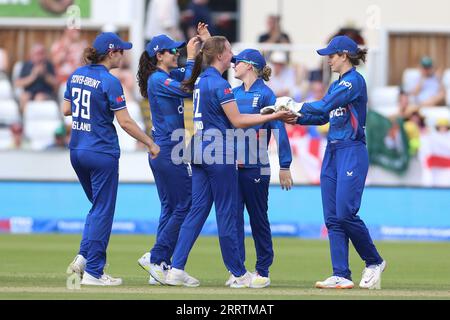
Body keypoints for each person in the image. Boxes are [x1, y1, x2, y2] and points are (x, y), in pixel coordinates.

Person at [164, 36, 296, 288]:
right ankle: (238, 272)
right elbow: (237, 121)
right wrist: (276, 114)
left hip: (200, 149)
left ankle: (176, 268)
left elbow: (214, 53)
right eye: (229, 53)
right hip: (220, 154)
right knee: (227, 214)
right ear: (220, 56)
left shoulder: (202, 79)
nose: (232, 58)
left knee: (198, 212)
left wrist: (284, 163)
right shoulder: (224, 86)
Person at [281, 35, 386, 289]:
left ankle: (374, 261)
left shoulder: (354, 82)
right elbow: (322, 117)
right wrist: (295, 118)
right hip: (333, 151)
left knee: (345, 213)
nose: (328, 59)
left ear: (344, 56)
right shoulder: (338, 84)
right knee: (332, 217)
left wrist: (294, 104)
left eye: (332, 55)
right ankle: (341, 273)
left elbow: (324, 105)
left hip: (352, 150)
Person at [64, 32, 160, 286]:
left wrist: (91, 107)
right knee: (103, 212)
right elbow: (125, 122)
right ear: (111, 53)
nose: (124, 54)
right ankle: (95, 272)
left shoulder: (76, 74)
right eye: (121, 50)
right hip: (101, 151)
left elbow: (66, 109)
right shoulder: (109, 81)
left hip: (77, 150)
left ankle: (84, 257)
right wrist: (150, 142)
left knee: (97, 208)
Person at [135, 25, 208, 285]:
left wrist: (199, 51)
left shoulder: (168, 73)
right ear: (159, 55)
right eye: (172, 51)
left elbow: (195, 74)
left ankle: (160, 266)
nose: (176, 53)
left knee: (170, 207)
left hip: (167, 147)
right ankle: (156, 257)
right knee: (185, 204)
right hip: (168, 147)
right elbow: (187, 89)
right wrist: (189, 57)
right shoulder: (158, 78)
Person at [230, 49, 293, 288]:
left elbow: (279, 128)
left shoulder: (266, 94)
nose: (234, 65)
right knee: (233, 219)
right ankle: (238, 270)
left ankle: (262, 269)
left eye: (238, 62)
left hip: (256, 166)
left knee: (257, 218)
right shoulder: (233, 93)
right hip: (232, 167)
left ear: (250, 66)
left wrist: (284, 165)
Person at [15, 44, 58, 114]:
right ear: (32, 55)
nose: (40, 56)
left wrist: (45, 75)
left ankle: (36, 119)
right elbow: (18, 83)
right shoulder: (26, 65)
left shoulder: (49, 65)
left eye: (42, 53)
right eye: (37, 54)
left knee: (39, 97)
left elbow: (55, 83)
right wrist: (33, 76)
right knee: (24, 97)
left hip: (45, 93)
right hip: (29, 92)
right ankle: (24, 119)